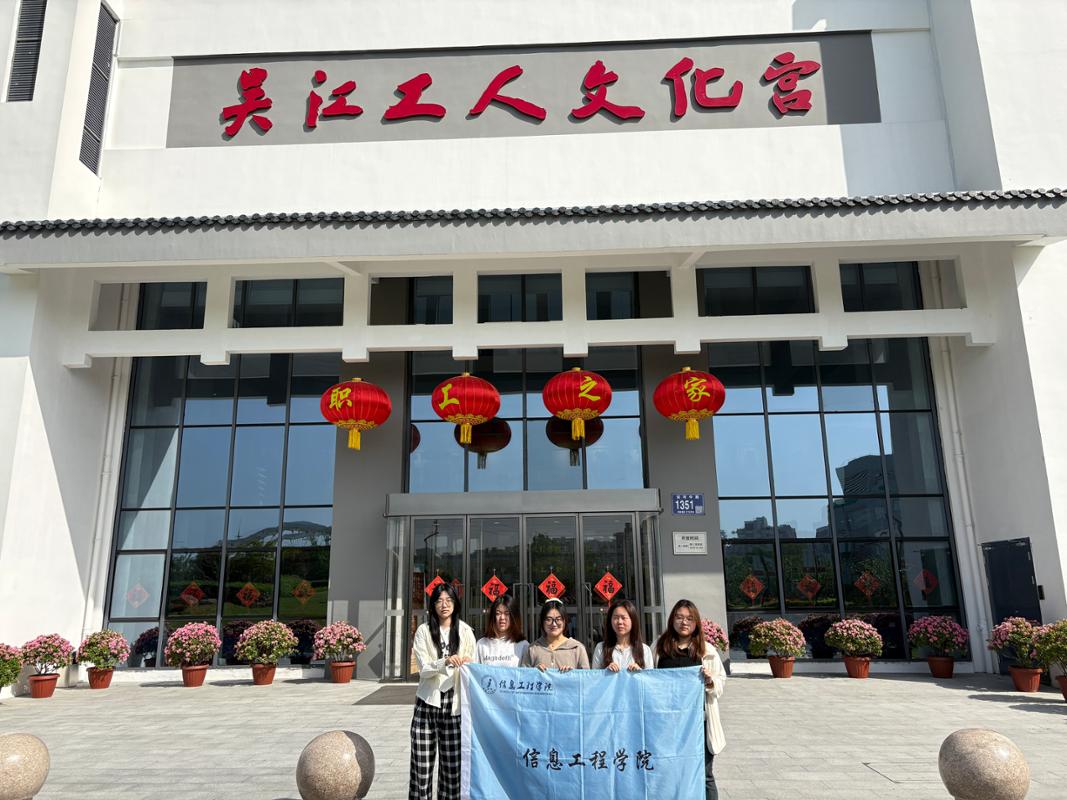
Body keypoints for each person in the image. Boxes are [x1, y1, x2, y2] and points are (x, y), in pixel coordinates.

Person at [409, 581, 476, 800]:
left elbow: (475, 667)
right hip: (427, 703)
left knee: (452, 771)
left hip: (454, 706)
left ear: (455, 604)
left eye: (448, 600)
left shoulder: (465, 631)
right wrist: (445, 661)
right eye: (439, 600)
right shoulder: (423, 631)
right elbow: (423, 669)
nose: (444, 605)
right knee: (421, 768)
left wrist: (469, 664)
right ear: (433, 605)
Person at [654, 599, 726, 800]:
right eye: (679, 617)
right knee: (670, 772)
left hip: (698, 723)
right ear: (672, 620)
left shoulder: (707, 650)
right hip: (667, 723)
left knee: (704, 775)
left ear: (696, 623)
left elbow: (720, 683)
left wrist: (710, 681)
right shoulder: (659, 647)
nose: (684, 622)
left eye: (689, 618)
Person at [521, 598, 590, 671]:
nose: (554, 624)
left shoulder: (577, 648)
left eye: (558, 619)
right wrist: (534, 672)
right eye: (549, 619)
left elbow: (586, 676)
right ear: (542, 622)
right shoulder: (532, 649)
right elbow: (523, 676)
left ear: (564, 621)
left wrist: (573, 674)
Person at [591, 597, 654, 672]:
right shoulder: (600, 648)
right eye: (615, 618)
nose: (620, 622)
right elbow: (594, 677)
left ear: (633, 620)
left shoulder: (645, 650)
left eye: (624, 618)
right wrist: (605, 672)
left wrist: (640, 673)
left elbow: (649, 677)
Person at [475, 593, 529, 667]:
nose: (502, 618)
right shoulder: (481, 644)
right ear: (493, 617)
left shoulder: (523, 645)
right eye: (498, 613)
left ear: (514, 617)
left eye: (507, 614)